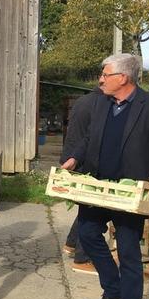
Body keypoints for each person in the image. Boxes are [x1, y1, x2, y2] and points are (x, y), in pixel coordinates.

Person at [62, 54, 149, 299]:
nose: (100, 79)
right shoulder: (102, 103)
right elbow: (91, 137)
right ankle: (113, 292)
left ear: (123, 78)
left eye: (105, 74)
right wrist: (75, 158)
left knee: (128, 251)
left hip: (130, 193)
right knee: (88, 236)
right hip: (100, 188)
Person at [61, 88, 101, 275]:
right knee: (93, 210)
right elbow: (92, 137)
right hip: (85, 160)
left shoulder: (83, 100)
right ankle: (82, 257)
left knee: (86, 207)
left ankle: (71, 242)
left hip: (73, 156)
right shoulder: (102, 104)